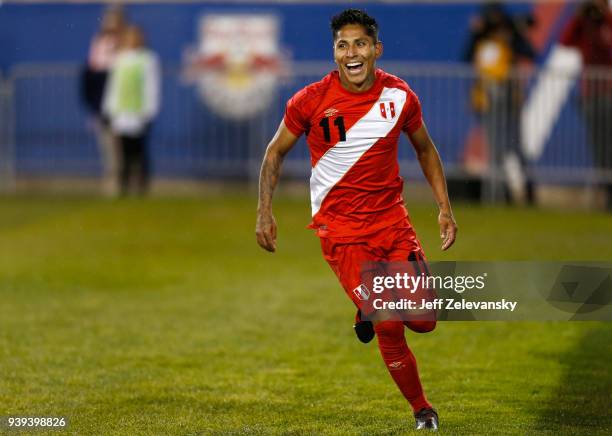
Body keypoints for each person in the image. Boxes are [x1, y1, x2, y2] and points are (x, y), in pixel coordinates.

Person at [255, 9, 457, 431]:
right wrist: (264, 212)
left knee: (424, 320)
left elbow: (424, 148)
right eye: (343, 45)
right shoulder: (309, 101)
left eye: (360, 44)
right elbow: (274, 152)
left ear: (376, 49)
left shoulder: (400, 97)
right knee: (389, 322)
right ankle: (423, 410)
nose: (352, 53)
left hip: (392, 224)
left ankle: (363, 311)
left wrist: (444, 207)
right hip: (342, 233)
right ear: (334, 53)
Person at [463, 2, 536, 205]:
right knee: (495, 150)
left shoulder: (510, 37)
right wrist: (475, 33)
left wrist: (514, 32)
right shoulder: (479, 39)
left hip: (510, 102)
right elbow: (466, 58)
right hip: (487, 102)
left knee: (516, 149)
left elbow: (529, 52)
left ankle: (528, 194)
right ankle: (500, 196)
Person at [559, 0, 612, 210]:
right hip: (590, 95)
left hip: (608, 94)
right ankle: (608, 194)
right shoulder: (585, 25)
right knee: (599, 148)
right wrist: (580, 16)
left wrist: (604, 14)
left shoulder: (606, 22)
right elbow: (565, 41)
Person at [103, 25, 160, 196]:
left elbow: (152, 86)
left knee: (139, 151)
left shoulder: (148, 59)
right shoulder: (119, 59)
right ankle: (124, 186)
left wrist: (150, 110)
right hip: (122, 113)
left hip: (139, 112)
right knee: (123, 152)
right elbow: (113, 86)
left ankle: (142, 186)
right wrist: (109, 108)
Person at [81, 5, 126, 196]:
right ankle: (112, 182)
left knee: (123, 144)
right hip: (103, 103)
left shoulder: (125, 43)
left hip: (123, 103)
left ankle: (126, 181)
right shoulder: (98, 44)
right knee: (108, 145)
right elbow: (91, 73)